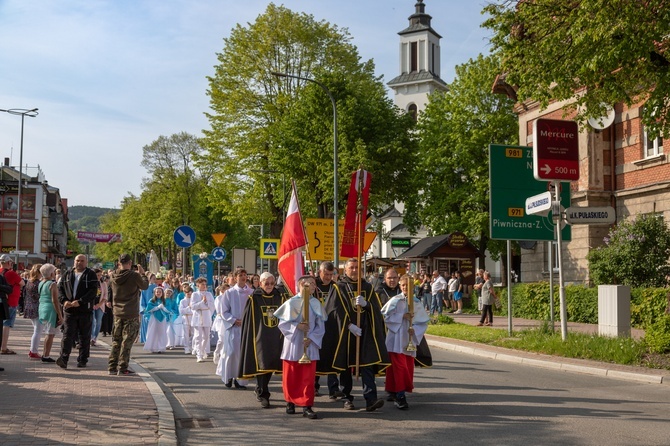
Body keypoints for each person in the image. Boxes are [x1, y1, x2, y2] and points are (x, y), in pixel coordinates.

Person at [320, 258, 389, 412]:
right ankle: (346, 398)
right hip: (346, 332)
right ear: (346, 270)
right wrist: (348, 325)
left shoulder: (368, 287)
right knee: (345, 366)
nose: (354, 270)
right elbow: (333, 311)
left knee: (367, 364)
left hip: (365, 332)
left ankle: (371, 399)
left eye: (357, 267)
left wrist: (367, 305)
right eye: (351, 267)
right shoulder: (339, 287)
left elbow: (377, 311)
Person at [275, 275, 326, 419]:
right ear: (301, 285)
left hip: (309, 344)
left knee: (307, 377)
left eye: (314, 284)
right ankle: (290, 402)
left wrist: (311, 338)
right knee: (291, 375)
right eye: (309, 284)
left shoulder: (316, 303)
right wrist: (297, 326)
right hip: (293, 343)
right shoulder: (291, 303)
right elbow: (282, 324)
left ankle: (306, 405)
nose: (312, 286)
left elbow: (321, 326)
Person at [381, 274, 430, 410]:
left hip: (409, 339)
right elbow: (386, 316)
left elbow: (423, 322)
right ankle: (400, 395)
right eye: (403, 286)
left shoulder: (417, 302)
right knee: (399, 367)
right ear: (400, 286)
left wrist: (415, 330)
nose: (405, 288)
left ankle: (393, 389)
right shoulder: (395, 300)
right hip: (396, 339)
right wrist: (402, 316)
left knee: (407, 367)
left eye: (409, 286)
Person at [238, 272, 284, 407]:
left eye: (271, 283)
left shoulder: (279, 296)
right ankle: (263, 393)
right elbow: (249, 320)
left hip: (276, 336)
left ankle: (261, 388)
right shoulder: (254, 298)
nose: (269, 286)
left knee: (270, 364)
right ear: (260, 283)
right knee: (261, 364)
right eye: (266, 283)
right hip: (259, 336)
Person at [108, 254, 149, 376]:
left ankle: (112, 367)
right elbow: (145, 286)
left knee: (116, 340)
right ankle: (123, 367)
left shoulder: (113, 275)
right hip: (130, 313)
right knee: (127, 341)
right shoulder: (134, 275)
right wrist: (143, 274)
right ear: (130, 263)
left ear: (119, 262)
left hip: (117, 312)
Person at [56, 254, 98, 369]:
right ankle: (63, 358)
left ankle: (83, 359)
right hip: (70, 310)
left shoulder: (90, 274)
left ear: (86, 262)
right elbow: (60, 290)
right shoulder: (67, 274)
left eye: (82, 261)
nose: (79, 263)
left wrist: (81, 301)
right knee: (67, 335)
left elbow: (93, 291)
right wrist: (63, 301)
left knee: (84, 336)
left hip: (84, 310)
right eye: (77, 260)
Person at [216, 269, 253, 388]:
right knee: (231, 353)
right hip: (233, 327)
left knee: (242, 354)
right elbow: (224, 311)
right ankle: (228, 377)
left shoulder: (251, 292)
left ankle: (240, 380)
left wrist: (247, 321)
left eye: (245, 275)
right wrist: (233, 320)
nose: (243, 277)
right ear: (235, 277)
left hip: (246, 327)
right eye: (240, 275)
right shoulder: (229, 293)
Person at [314, 261, 337, 399]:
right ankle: (314, 386)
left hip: (331, 325)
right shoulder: (313, 285)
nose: (328, 277)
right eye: (326, 274)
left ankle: (333, 388)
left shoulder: (335, 287)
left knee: (332, 356)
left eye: (330, 274)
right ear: (319, 272)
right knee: (316, 356)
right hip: (316, 325)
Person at [0, 254, 25, 355]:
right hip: (11, 302)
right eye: (10, 262)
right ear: (8, 262)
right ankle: (4, 347)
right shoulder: (11, 273)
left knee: (3, 324)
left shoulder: (0, 272)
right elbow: (22, 283)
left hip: (3, 302)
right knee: (7, 325)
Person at [38, 263, 62, 363]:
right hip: (50, 309)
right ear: (51, 273)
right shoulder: (52, 284)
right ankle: (46, 355)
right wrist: (60, 315)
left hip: (42, 307)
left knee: (48, 333)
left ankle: (45, 354)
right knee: (50, 333)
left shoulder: (41, 283)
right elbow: (55, 300)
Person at [190, 278, 216, 363]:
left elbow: (212, 305)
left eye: (205, 284)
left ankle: (202, 349)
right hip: (198, 317)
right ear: (198, 286)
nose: (204, 286)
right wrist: (202, 302)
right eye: (202, 284)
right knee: (198, 337)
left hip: (206, 316)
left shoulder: (209, 294)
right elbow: (193, 306)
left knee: (206, 337)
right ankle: (199, 355)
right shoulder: (194, 294)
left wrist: (207, 306)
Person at [23, 264, 43, 359]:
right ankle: (33, 351)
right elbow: (38, 296)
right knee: (38, 330)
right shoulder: (38, 283)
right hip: (37, 308)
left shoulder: (29, 282)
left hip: (29, 307)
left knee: (36, 329)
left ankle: (33, 350)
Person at [143, 287, 172, 353]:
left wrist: (163, 308)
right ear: (155, 293)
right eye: (157, 292)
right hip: (154, 318)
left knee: (161, 332)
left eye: (160, 292)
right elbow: (149, 309)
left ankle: (161, 348)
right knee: (153, 332)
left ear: (162, 293)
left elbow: (168, 310)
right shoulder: (152, 300)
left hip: (162, 318)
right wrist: (157, 307)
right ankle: (152, 347)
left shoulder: (165, 301)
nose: (158, 293)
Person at [91, 268, 108, 346]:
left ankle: (94, 338)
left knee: (98, 322)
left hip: (100, 305)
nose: (99, 277)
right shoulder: (91, 283)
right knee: (93, 322)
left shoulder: (103, 284)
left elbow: (105, 296)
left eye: (100, 275)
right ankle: (91, 337)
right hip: (91, 305)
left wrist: (99, 304)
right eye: (97, 275)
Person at [139, 273, 157, 343]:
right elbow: (142, 299)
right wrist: (144, 308)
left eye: (155, 279)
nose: (154, 280)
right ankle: (146, 339)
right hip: (147, 308)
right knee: (146, 324)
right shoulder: (145, 289)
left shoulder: (156, 287)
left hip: (155, 308)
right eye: (153, 278)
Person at [179, 284, 194, 354]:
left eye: (190, 294)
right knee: (186, 334)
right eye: (188, 294)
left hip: (193, 318)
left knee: (193, 334)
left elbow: (194, 310)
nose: (189, 295)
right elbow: (181, 311)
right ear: (185, 293)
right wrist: (188, 308)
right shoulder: (182, 301)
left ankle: (192, 347)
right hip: (186, 318)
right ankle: (186, 348)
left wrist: (189, 309)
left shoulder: (193, 300)